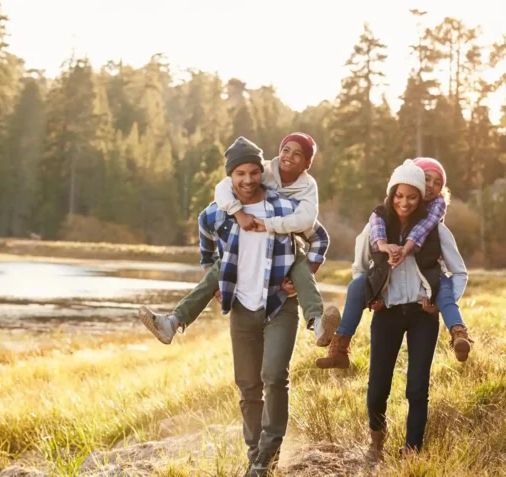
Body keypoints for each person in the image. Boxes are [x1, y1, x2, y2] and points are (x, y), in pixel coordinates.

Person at [194, 139, 330, 475]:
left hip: (279, 304)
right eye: (240, 173)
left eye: (254, 172)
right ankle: (256, 457)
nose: (248, 179)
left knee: (273, 376)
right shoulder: (219, 210)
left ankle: (267, 455)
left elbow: (320, 236)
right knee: (248, 386)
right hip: (241, 306)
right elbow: (205, 239)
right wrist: (215, 277)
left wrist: (303, 275)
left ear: (261, 172)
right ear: (230, 177)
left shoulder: (283, 207)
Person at [139, 134, 339, 348]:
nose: (288, 156)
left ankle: (318, 323)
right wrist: (238, 213)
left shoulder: (307, 188)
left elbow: (310, 223)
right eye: (286, 150)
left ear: (307, 164)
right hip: (244, 247)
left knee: (301, 267)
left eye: (297, 154)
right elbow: (224, 187)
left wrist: (305, 273)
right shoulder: (262, 171)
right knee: (220, 268)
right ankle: (172, 323)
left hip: (288, 244)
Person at [344, 160, 468, 458]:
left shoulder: (436, 231)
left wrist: (439, 303)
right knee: (377, 387)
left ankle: (413, 448)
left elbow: (459, 272)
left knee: (416, 388)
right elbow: (359, 269)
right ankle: (376, 441)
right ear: (393, 193)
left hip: (422, 317)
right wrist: (373, 295)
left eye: (414, 194)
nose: (407, 201)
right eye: (401, 195)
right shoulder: (377, 227)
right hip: (386, 314)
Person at [316, 157, 472, 369]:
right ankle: (340, 345)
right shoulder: (382, 215)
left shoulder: (435, 215)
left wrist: (406, 249)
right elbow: (367, 247)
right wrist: (374, 289)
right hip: (388, 290)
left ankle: (459, 333)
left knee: (444, 291)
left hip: (428, 279)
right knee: (356, 286)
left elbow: (425, 231)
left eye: (438, 183)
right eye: (427, 179)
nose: (432, 187)